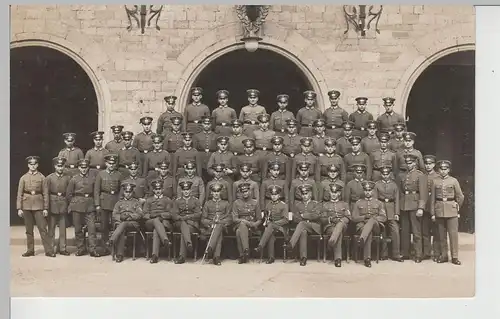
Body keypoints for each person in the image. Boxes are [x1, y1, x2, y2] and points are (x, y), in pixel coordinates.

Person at [16, 156, 54, 257]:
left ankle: (49, 250)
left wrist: (46, 208)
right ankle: (30, 250)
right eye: (31, 164)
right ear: (28, 165)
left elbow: (45, 193)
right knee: (29, 229)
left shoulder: (42, 177)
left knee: (43, 228)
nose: (33, 166)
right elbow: (19, 194)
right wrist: (19, 208)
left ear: (37, 165)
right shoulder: (23, 178)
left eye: (35, 164)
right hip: (26, 205)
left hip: (38, 205)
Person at [430, 160, 465, 265]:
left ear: (449, 170)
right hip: (439, 209)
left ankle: (454, 257)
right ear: (438, 170)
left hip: (451, 210)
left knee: (453, 235)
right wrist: (432, 213)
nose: (443, 171)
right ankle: (444, 255)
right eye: (441, 169)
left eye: (445, 169)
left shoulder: (454, 181)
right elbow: (432, 199)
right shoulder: (435, 181)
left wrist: (456, 206)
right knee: (441, 235)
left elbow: (460, 196)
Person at [66, 159, 99, 257]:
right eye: (82, 167)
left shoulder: (93, 178)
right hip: (77, 205)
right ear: (79, 168)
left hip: (89, 204)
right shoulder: (74, 179)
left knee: (92, 228)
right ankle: (81, 249)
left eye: (85, 167)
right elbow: (69, 194)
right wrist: (73, 204)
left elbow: (96, 192)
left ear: (88, 167)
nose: (84, 169)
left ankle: (92, 249)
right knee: (78, 229)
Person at [399, 153, 428, 263]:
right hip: (405, 204)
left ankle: (418, 254)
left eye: (410, 163)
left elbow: (423, 193)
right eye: (407, 163)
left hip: (415, 205)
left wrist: (421, 207)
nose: (408, 165)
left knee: (416, 231)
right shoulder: (404, 175)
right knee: (405, 231)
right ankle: (405, 253)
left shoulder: (420, 175)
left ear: (415, 163)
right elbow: (402, 191)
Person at [351, 181, 387, 268]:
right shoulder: (358, 203)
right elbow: (354, 218)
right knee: (368, 233)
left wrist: (373, 219)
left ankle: (362, 238)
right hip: (362, 227)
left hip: (376, 227)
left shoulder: (378, 203)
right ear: (364, 191)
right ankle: (367, 259)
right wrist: (363, 217)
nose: (368, 192)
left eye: (370, 190)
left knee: (371, 221)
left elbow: (384, 217)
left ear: (373, 191)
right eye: (366, 190)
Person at [286, 184, 321, 266]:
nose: (305, 196)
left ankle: (291, 244)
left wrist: (303, 216)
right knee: (303, 231)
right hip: (303, 227)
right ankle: (303, 258)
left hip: (315, 227)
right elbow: (295, 218)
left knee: (301, 224)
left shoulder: (316, 203)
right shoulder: (298, 205)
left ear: (311, 194)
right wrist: (308, 216)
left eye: (306, 193)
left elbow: (316, 216)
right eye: (303, 194)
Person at [108, 183, 144, 263]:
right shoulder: (119, 203)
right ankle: (120, 255)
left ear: (132, 192)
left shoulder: (136, 202)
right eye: (126, 192)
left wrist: (130, 216)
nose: (128, 194)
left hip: (133, 224)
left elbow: (140, 214)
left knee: (122, 225)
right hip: (121, 223)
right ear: (123, 192)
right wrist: (121, 217)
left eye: (130, 192)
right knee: (121, 229)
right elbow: (114, 214)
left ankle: (112, 239)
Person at [44, 157, 72, 255]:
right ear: (55, 166)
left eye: (62, 166)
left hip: (63, 203)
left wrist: (69, 205)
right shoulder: (49, 178)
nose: (60, 168)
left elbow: (69, 193)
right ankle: (51, 249)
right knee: (51, 228)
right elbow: (46, 193)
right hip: (53, 204)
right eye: (58, 166)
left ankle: (62, 248)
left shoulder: (68, 178)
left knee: (63, 228)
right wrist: (46, 207)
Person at [254, 184, 289, 264]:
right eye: (272, 195)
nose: (274, 196)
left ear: (279, 195)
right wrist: (266, 221)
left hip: (281, 228)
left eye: (275, 195)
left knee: (270, 226)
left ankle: (260, 246)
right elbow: (267, 217)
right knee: (270, 235)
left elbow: (286, 220)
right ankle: (271, 257)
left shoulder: (284, 205)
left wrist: (273, 223)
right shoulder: (268, 205)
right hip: (271, 229)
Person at [374, 166, 403, 262]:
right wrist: (377, 212)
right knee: (383, 232)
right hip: (381, 208)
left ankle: (396, 254)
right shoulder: (377, 185)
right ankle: (384, 254)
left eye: (387, 174)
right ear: (381, 174)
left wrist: (397, 213)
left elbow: (397, 200)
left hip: (391, 209)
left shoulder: (394, 185)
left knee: (395, 231)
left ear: (390, 174)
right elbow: (375, 200)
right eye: (383, 174)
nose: (385, 176)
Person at [94, 154, 123, 246]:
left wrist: (119, 202)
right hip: (104, 202)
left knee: (116, 224)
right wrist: (97, 204)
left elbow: (121, 190)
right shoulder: (101, 174)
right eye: (109, 163)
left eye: (113, 163)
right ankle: (104, 245)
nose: (111, 165)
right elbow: (96, 190)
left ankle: (115, 244)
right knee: (104, 225)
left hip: (115, 201)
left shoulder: (119, 175)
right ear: (106, 163)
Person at [200, 183, 233, 266]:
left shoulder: (226, 203)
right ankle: (216, 257)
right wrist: (211, 224)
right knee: (218, 233)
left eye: (218, 191)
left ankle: (210, 248)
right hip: (210, 227)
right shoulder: (207, 203)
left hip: (223, 227)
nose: (216, 193)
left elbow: (229, 218)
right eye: (214, 191)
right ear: (211, 192)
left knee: (219, 226)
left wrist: (220, 222)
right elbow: (203, 219)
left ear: (220, 192)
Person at [143, 179, 174, 264]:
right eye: (156, 189)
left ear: (162, 189)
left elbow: (170, 214)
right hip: (150, 222)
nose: (158, 191)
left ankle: (155, 256)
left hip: (162, 222)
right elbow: (144, 214)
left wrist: (161, 216)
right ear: (153, 190)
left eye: (159, 189)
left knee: (156, 230)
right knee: (156, 221)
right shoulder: (149, 200)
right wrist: (151, 216)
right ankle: (165, 240)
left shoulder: (167, 200)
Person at [172, 181, 202, 264]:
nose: (186, 192)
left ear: (190, 191)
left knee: (184, 231)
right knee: (183, 226)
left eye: (188, 190)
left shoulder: (195, 201)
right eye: (184, 190)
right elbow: (174, 215)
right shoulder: (177, 201)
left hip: (192, 225)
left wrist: (186, 218)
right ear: (181, 191)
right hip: (180, 224)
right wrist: (182, 219)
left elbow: (198, 214)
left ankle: (182, 257)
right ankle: (188, 242)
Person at [321, 183, 351, 267]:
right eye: (332, 192)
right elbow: (322, 219)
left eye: (336, 192)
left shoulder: (344, 204)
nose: (334, 194)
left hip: (343, 225)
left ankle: (331, 242)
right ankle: (338, 259)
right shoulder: (325, 205)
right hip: (330, 226)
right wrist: (330, 219)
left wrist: (341, 220)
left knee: (340, 225)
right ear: (329, 193)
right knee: (338, 232)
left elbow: (348, 217)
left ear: (339, 193)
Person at [422, 154, 445, 261]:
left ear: (434, 164)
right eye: (426, 163)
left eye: (430, 164)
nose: (428, 166)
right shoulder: (422, 176)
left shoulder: (438, 176)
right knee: (425, 231)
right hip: (425, 206)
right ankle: (426, 252)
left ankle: (436, 253)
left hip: (435, 207)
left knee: (436, 231)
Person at [232, 183, 262, 264]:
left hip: (252, 227)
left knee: (238, 232)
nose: (244, 193)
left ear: (249, 191)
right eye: (242, 192)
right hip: (239, 225)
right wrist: (244, 221)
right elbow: (234, 219)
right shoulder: (236, 203)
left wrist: (253, 224)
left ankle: (242, 255)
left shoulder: (255, 202)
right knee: (241, 225)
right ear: (240, 193)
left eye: (246, 191)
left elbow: (259, 219)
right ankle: (246, 250)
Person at [193, 116, 219, 182]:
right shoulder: (197, 136)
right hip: (201, 161)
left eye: (208, 124)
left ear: (211, 124)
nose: (206, 126)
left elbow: (217, 150)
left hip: (211, 160)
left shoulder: (216, 136)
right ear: (202, 124)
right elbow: (194, 150)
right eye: (205, 124)